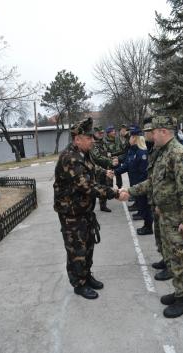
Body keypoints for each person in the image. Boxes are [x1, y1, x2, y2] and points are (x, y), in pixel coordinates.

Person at [119, 116, 183, 318]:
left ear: (163, 131)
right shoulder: (163, 153)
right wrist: (130, 191)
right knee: (173, 258)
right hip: (166, 217)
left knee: (182, 258)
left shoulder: (178, 155)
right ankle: (179, 291)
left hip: (178, 219)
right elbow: (152, 183)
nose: (151, 136)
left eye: (153, 132)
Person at [53, 117, 119, 300]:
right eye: (88, 137)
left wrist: (103, 172)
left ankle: (86, 275)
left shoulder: (83, 153)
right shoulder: (70, 158)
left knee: (88, 244)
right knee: (77, 249)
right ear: (77, 139)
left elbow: (90, 168)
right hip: (71, 213)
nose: (92, 140)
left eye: (92, 137)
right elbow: (87, 185)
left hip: (84, 210)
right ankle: (79, 284)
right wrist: (114, 193)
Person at [143, 118, 171, 278]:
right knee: (159, 234)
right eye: (149, 132)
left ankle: (170, 265)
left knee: (169, 240)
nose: (150, 135)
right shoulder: (156, 149)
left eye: (152, 132)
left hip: (168, 208)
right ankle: (165, 259)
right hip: (156, 200)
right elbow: (154, 178)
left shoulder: (171, 153)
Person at [114, 126, 153, 235]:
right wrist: (116, 172)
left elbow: (144, 173)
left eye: (130, 137)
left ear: (135, 138)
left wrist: (138, 187)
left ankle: (148, 227)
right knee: (141, 204)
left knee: (145, 206)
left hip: (140, 185)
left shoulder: (142, 152)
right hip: (135, 184)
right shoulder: (133, 150)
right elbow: (127, 165)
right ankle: (146, 224)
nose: (129, 139)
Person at [91, 126, 118, 212]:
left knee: (105, 186)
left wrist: (113, 158)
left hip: (105, 168)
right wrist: (110, 161)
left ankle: (103, 205)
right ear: (95, 133)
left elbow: (108, 152)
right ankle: (92, 206)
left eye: (102, 133)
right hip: (97, 170)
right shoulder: (93, 144)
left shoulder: (103, 142)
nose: (101, 135)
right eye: (99, 133)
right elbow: (97, 157)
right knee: (96, 187)